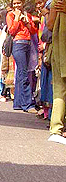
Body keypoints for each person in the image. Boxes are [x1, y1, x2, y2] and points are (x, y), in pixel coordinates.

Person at [6, 0, 38, 113]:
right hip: (18, 44)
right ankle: (28, 104)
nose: (16, 5)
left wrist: (26, 21)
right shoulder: (10, 15)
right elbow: (12, 31)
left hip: (28, 44)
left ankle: (18, 103)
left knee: (21, 73)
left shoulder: (27, 15)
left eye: (18, 3)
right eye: (14, 3)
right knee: (23, 73)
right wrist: (17, 19)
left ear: (22, 3)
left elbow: (34, 31)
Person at [47, 0, 66, 143]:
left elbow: (50, 25)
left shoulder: (55, 2)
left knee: (59, 89)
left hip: (59, 50)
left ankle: (56, 129)